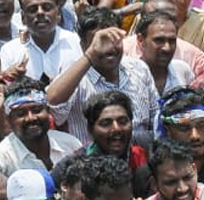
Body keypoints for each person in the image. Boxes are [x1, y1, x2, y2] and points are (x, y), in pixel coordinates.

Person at [44, 12, 154, 145]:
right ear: (83, 46)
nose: (108, 48)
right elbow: (51, 102)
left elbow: (155, 117)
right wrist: (91, 54)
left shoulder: (139, 68)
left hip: (138, 158)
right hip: (93, 162)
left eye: (114, 40)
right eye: (100, 42)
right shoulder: (76, 78)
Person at [0, 78, 81, 174]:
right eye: (21, 114)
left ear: (48, 111)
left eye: (36, 110)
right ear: (9, 120)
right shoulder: (2, 156)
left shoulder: (70, 145)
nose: (30, 118)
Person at [0, 0, 83, 84]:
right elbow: (4, 88)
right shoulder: (9, 51)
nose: (40, 12)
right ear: (23, 18)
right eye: (33, 9)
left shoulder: (77, 42)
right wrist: (9, 78)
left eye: (47, 8)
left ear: (58, 14)